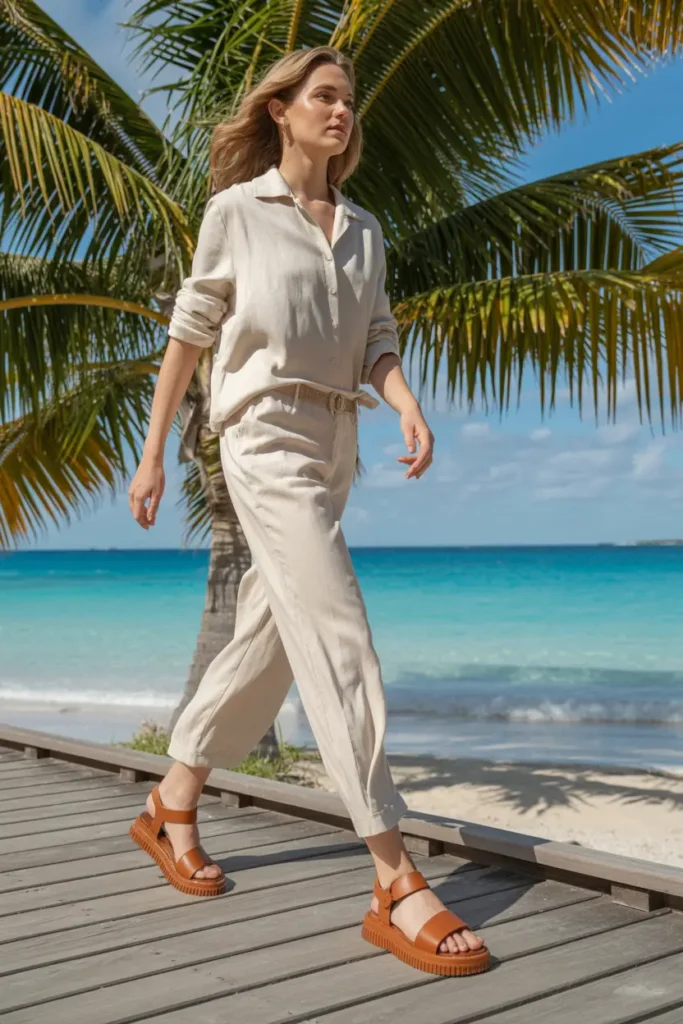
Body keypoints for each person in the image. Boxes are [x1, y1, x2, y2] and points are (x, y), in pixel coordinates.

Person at [127, 44, 490, 977]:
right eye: (323, 97)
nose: (341, 112)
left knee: (273, 634)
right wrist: (153, 449)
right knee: (338, 638)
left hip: (336, 439)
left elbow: (374, 335)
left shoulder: (363, 227)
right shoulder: (235, 213)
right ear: (280, 111)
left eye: (348, 101)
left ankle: (171, 801)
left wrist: (402, 397)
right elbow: (190, 334)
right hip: (260, 433)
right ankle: (393, 878)